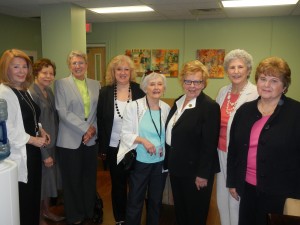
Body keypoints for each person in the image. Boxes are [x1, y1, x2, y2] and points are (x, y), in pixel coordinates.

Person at [227, 57, 300, 225]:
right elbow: (234, 150)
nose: (267, 85)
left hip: (282, 191)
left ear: (285, 86)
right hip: (248, 187)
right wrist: (233, 181)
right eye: (263, 79)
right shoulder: (244, 110)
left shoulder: (295, 113)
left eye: (274, 80)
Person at [165, 60, 220, 225]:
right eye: (188, 81)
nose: (192, 86)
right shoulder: (179, 101)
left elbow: (209, 144)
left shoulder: (209, 106)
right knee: (181, 210)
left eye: (198, 81)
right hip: (177, 168)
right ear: (182, 81)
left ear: (204, 83)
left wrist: (202, 174)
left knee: (195, 213)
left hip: (196, 172)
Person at [0, 49, 50, 225]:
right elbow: (7, 128)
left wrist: (41, 130)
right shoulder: (4, 92)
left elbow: (31, 117)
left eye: (24, 66)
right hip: (19, 154)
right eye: (16, 67)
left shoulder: (23, 90)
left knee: (33, 197)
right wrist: (33, 139)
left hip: (33, 153)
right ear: (6, 69)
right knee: (24, 200)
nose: (22, 71)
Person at [117, 71, 170, 225]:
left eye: (159, 84)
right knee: (135, 199)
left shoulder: (166, 108)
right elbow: (125, 134)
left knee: (155, 201)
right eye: (152, 84)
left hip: (160, 162)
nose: (156, 87)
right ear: (145, 87)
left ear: (164, 88)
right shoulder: (134, 107)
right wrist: (143, 141)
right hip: (140, 161)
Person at [97, 55, 145, 225]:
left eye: (126, 69)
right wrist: (102, 148)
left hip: (136, 146)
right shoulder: (105, 92)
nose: (123, 72)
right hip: (114, 147)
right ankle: (121, 219)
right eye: (119, 69)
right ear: (113, 72)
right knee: (118, 186)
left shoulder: (140, 91)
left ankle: (134, 218)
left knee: (136, 185)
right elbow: (101, 121)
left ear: (131, 72)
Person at [54, 50, 100, 225]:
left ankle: (89, 211)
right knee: (72, 179)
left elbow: (97, 111)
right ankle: (75, 215)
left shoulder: (96, 84)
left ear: (86, 65)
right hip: (69, 139)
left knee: (89, 178)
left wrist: (92, 130)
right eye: (74, 63)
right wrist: (85, 128)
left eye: (81, 63)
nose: (78, 66)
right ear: (69, 65)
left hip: (91, 140)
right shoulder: (61, 84)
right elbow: (62, 111)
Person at [215, 49, 258, 225]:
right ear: (227, 71)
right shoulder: (223, 91)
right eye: (232, 67)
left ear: (248, 70)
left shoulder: (255, 93)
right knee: (222, 198)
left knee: (236, 197)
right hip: (221, 151)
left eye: (241, 67)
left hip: (241, 156)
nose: (236, 71)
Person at [29, 58, 65, 224]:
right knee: (41, 183)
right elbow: (33, 125)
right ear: (36, 73)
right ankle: (38, 216)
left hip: (53, 144)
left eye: (51, 73)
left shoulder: (49, 91)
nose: (48, 76)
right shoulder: (32, 93)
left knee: (50, 181)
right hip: (40, 147)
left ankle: (47, 211)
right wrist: (44, 153)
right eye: (44, 72)